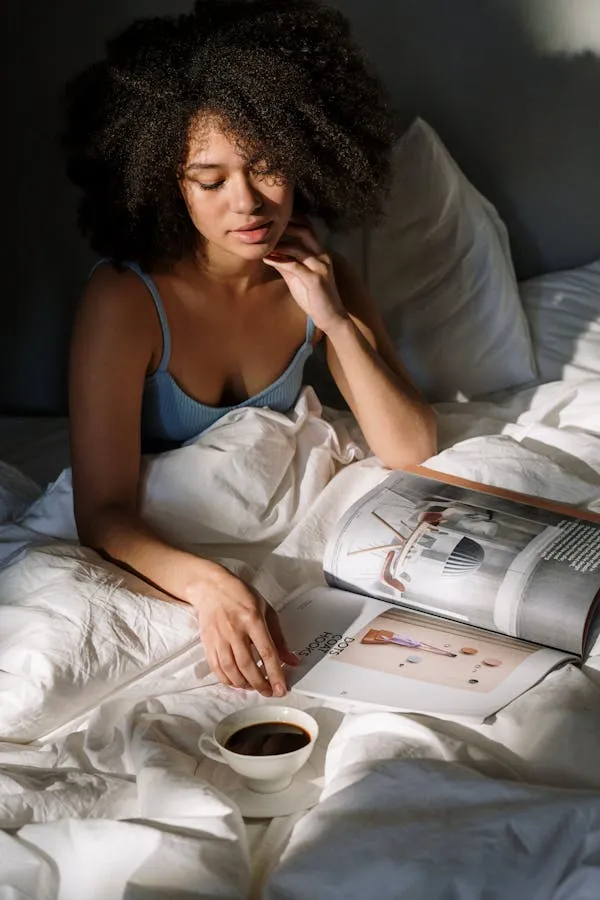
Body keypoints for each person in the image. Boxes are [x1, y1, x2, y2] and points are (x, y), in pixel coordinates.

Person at [61, 0, 437, 701]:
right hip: (170, 552)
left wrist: (330, 315)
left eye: (267, 168)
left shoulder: (323, 276)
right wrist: (211, 586)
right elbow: (102, 511)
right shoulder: (124, 302)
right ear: (169, 184)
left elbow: (411, 446)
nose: (248, 204)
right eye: (210, 180)